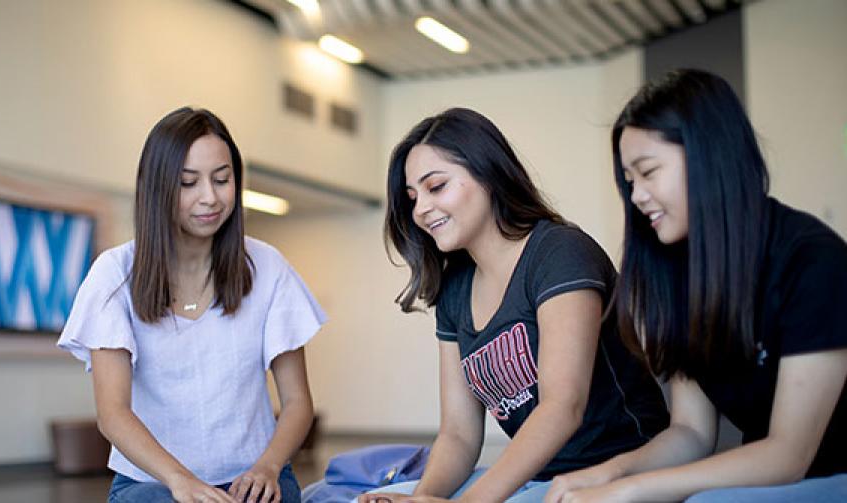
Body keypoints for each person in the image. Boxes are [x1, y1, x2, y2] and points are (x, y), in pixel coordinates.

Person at [544, 69, 847, 503]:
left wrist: (631, 490)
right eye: (629, 181)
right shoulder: (679, 272)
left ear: (711, 157)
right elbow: (690, 431)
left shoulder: (812, 261)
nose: (637, 196)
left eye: (648, 173)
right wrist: (605, 475)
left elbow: (789, 454)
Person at [363, 108, 669, 503]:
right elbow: (459, 432)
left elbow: (563, 406)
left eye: (436, 187)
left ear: (489, 174)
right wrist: (423, 498)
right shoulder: (455, 287)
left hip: (615, 473)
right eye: (412, 197)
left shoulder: (559, 253)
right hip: (538, 480)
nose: (420, 209)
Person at [58, 107, 326, 503]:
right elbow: (113, 414)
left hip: (253, 477)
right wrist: (181, 481)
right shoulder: (114, 275)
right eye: (188, 183)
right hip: (154, 484)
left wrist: (268, 466)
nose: (210, 198)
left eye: (222, 179)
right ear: (158, 187)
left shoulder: (267, 266)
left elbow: (298, 402)